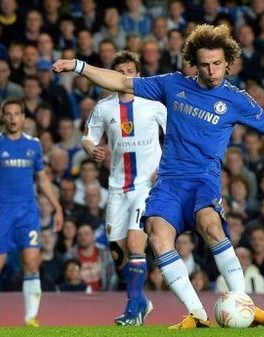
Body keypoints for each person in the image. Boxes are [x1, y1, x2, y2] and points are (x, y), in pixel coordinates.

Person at [53, 24, 264, 329]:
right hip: (169, 181)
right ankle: (197, 315)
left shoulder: (237, 99)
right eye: (205, 65)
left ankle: (244, 304)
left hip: (203, 180)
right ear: (194, 64)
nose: (212, 71)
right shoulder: (173, 85)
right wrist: (78, 66)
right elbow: (122, 81)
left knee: (210, 223)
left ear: (228, 62)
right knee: (158, 237)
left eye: (217, 64)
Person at [81, 51, 167, 326]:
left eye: (131, 70)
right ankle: (140, 298)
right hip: (117, 187)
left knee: (134, 242)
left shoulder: (154, 105)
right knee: (118, 252)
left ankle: (133, 309)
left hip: (146, 185)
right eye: (121, 71)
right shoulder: (104, 108)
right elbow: (88, 137)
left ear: (139, 75)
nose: (126, 75)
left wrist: (164, 168)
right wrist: (92, 149)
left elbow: (176, 138)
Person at [0, 99, 63, 328]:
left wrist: (57, 206)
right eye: (8, 114)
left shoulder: (34, 145)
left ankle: (30, 319)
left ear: (24, 117)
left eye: (17, 114)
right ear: (3, 117)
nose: (13, 118)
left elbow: (42, 179)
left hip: (28, 212)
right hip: (3, 212)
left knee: (32, 263)